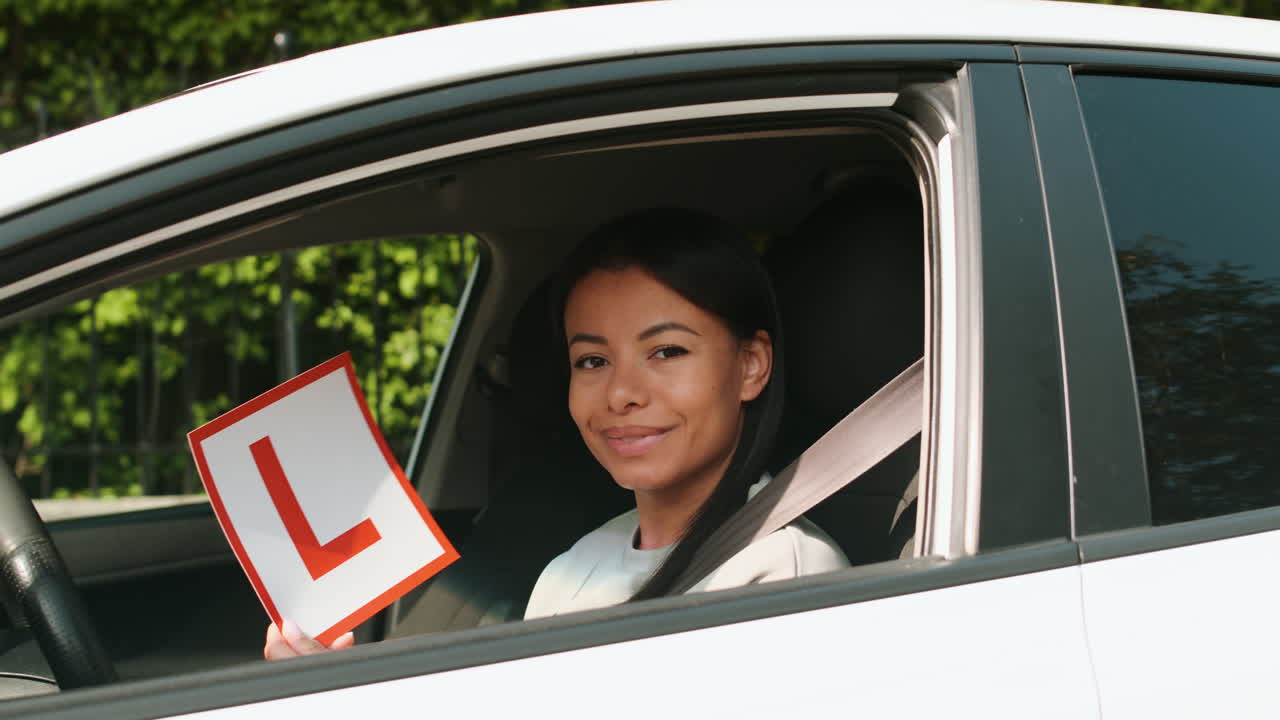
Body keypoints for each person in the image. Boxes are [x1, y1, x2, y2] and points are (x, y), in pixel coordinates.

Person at [265, 208, 848, 659]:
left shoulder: (783, 576)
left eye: (667, 351)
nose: (621, 393)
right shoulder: (574, 568)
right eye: (592, 361)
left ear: (751, 366)